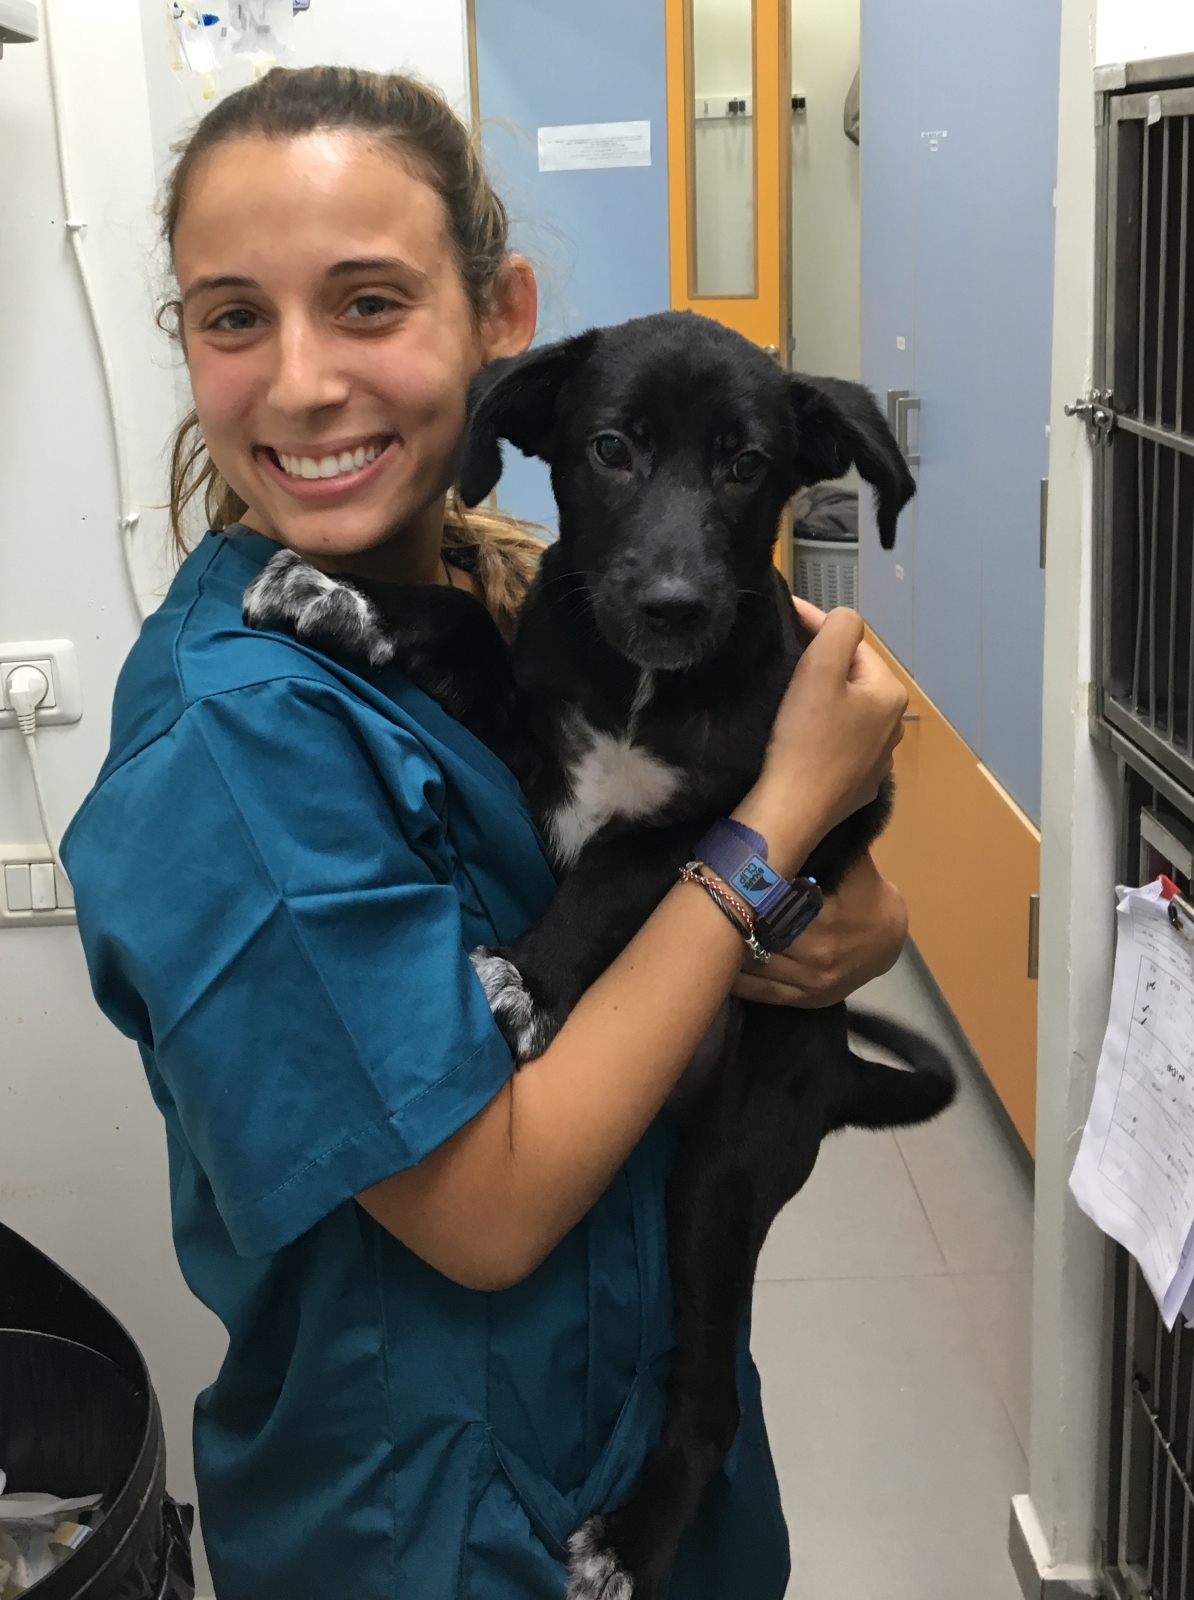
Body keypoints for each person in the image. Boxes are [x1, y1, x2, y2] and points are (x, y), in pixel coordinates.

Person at [63, 67, 909, 1600]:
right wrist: (778, 821)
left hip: (631, 1389)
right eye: (233, 317)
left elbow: (750, 862)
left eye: (370, 302)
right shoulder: (234, 755)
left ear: (496, 313)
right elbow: (489, 1211)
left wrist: (863, 910)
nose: (306, 380)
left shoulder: (510, 595)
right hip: (441, 1522)